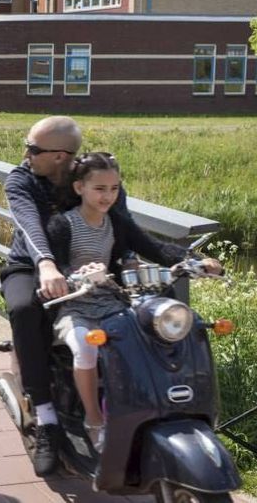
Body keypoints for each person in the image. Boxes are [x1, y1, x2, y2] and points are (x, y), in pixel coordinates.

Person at [44, 152, 220, 452]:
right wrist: (77, 274)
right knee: (86, 348)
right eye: (99, 189)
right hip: (75, 306)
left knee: (150, 339)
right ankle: (94, 419)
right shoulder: (63, 225)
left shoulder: (116, 221)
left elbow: (153, 248)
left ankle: (151, 407)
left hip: (114, 302)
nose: (107, 196)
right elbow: (56, 269)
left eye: (114, 189)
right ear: (79, 189)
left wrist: (197, 262)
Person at [0, 115, 83, 476]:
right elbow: (28, 223)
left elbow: (120, 220)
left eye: (33, 148)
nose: (26, 153)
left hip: (80, 267)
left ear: (61, 156)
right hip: (28, 265)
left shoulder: (92, 177)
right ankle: (46, 418)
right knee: (23, 308)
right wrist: (46, 263)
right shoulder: (22, 178)